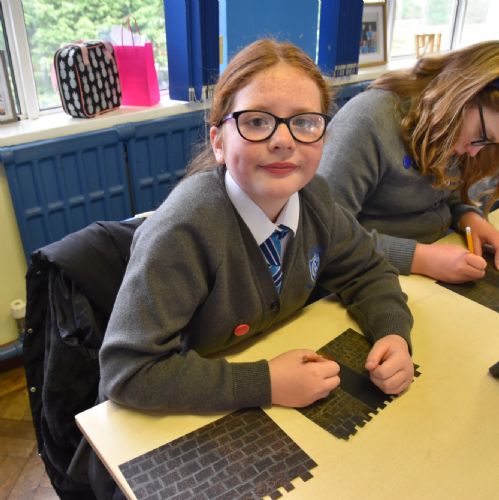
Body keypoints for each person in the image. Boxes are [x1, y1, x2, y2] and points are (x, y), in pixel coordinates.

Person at [99, 39, 414, 415]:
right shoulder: (184, 231)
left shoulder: (315, 198)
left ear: (323, 138)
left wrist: (392, 331)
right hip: (177, 415)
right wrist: (266, 383)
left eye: (304, 122)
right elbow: (128, 372)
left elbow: (368, 270)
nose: (283, 141)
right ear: (218, 142)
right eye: (256, 122)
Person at [318, 40, 499, 284]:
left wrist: (469, 218)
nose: (474, 153)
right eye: (482, 134)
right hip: (362, 275)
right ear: (460, 95)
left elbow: (447, 192)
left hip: (429, 262)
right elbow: (324, 234)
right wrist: (421, 259)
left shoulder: (452, 128)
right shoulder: (369, 120)